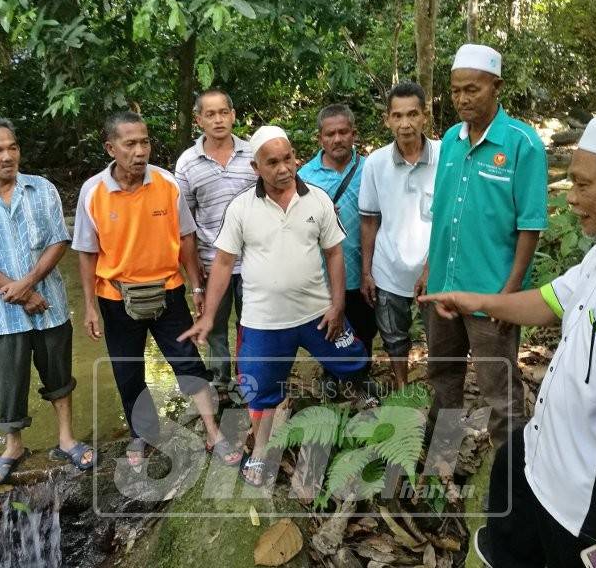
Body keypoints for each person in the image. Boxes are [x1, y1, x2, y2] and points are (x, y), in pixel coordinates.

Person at [421, 116, 596, 568]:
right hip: (536, 456)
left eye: (581, 184)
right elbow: (552, 300)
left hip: (585, 506)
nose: (569, 198)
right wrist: (475, 300)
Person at [179, 125, 373, 486]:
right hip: (263, 321)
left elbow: (334, 253)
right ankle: (261, 450)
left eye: (288, 159)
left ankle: (369, 413)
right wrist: (206, 317)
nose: (284, 168)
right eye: (273, 162)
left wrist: (338, 305)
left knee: (353, 362)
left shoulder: (316, 200)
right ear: (256, 168)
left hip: (318, 313)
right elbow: (222, 263)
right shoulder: (240, 209)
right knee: (262, 389)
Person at [72, 111, 240, 467]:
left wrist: (197, 287)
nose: (139, 150)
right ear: (111, 147)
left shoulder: (167, 183)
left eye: (144, 141)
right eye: (129, 143)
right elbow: (87, 254)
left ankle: (214, 431)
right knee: (128, 371)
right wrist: (89, 305)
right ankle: (141, 436)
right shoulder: (93, 192)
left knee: (189, 363)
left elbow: (186, 239)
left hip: (168, 292)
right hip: (116, 297)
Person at [0, 117, 94, 486]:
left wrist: (27, 284)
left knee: (58, 374)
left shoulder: (41, 188)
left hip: (51, 304)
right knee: (9, 380)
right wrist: (21, 293)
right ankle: (13, 447)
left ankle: (66, 439)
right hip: (0, 313)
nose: (7, 156)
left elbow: (58, 240)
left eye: (12, 147)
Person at [416, 44, 547, 448]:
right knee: (443, 375)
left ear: (496, 86)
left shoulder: (523, 144)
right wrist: (428, 269)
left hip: (491, 292)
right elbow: (443, 214)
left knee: (497, 389)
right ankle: (443, 452)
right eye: (455, 90)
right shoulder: (452, 141)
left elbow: (530, 226)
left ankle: (512, 471)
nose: (462, 99)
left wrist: (509, 295)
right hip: (443, 286)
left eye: (472, 89)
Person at [359, 82, 440, 390]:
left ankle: (439, 393)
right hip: (388, 267)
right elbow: (369, 220)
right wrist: (366, 271)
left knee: (440, 337)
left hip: (433, 268)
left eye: (412, 114)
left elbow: (451, 219)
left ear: (424, 117)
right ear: (388, 120)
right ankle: (402, 388)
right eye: (398, 116)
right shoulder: (376, 163)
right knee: (394, 338)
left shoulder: (445, 156)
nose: (405, 124)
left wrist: (432, 267)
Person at [175, 89, 256, 392]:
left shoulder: (253, 155)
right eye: (210, 114)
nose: (219, 119)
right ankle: (221, 387)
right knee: (215, 331)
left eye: (224, 112)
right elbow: (185, 230)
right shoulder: (187, 164)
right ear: (199, 120)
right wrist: (195, 282)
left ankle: (251, 384)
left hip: (254, 263)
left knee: (252, 328)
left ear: (233, 115)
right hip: (212, 265)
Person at [298, 104, 377, 398]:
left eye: (344, 132)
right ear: (321, 138)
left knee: (365, 327)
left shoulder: (370, 168)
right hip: (323, 272)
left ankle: (362, 377)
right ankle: (331, 374)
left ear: (353, 134)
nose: (337, 139)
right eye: (330, 134)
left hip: (364, 267)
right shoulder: (305, 175)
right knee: (330, 328)